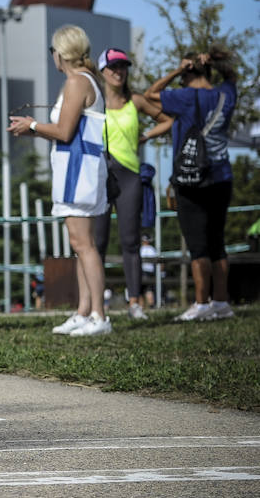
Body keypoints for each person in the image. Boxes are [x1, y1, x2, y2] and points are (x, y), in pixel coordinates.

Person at [9, 24, 111, 336]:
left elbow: (65, 131)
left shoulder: (78, 82)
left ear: (60, 54)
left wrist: (33, 125)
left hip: (79, 171)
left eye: (53, 50)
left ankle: (99, 315)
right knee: (82, 244)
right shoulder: (82, 80)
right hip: (79, 169)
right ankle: (84, 310)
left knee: (84, 244)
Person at [146, 49, 239, 322]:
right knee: (217, 243)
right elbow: (232, 74)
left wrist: (176, 71)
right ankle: (221, 302)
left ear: (187, 74)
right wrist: (214, 59)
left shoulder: (184, 97)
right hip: (221, 177)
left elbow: (151, 94)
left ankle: (201, 303)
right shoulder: (226, 95)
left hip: (191, 179)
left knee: (198, 245)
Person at [92, 48, 170, 322]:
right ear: (102, 71)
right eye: (113, 67)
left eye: (123, 66)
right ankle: (95, 303)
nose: (118, 72)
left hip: (129, 176)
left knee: (130, 241)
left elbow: (167, 120)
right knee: (97, 242)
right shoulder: (93, 100)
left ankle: (135, 302)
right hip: (100, 175)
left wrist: (145, 136)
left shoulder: (135, 100)